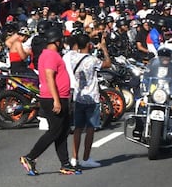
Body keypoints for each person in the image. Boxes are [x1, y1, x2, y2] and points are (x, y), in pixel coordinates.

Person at [19, 27, 80, 176]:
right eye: (61, 41)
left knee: (62, 132)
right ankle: (30, 157)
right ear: (57, 41)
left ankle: (65, 164)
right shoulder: (51, 56)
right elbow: (49, 77)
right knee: (54, 131)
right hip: (53, 98)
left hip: (58, 97)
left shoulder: (48, 54)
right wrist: (56, 100)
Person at [65, 32, 111, 168]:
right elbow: (108, 64)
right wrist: (104, 48)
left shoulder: (72, 57)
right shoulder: (92, 60)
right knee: (90, 128)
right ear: (89, 45)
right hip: (92, 98)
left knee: (78, 128)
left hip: (78, 97)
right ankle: (86, 158)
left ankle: (74, 157)